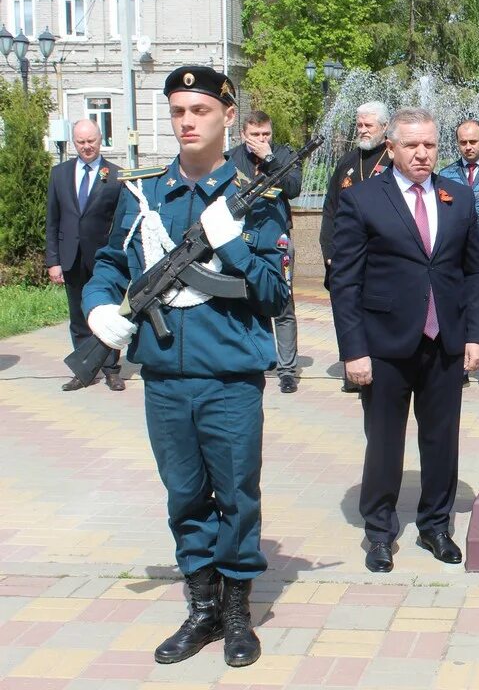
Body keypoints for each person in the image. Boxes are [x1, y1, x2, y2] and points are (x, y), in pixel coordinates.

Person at [83, 66, 290, 668]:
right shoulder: (144, 192)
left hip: (230, 377)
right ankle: (200, 606)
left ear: (228, 117)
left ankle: (236, 612)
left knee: (237, 496)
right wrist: (98, 308)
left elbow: (275, 294)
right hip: (166, 379)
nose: (187, 122)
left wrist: (229, 244)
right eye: (177, 111)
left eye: (199, 110)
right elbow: (110, 262)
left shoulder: (259, 198)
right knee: (184, 495)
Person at [329, 108, 479, 570]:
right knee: (385, 441)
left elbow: (475, 271)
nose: (422, 154)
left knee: (442, 439)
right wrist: (353, 350)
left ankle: (436, 526)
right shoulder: (363, 199)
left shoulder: (456, 196)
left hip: (444, 342)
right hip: (384, 346)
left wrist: (478, 336)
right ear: (392, 148)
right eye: (412, 145)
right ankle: (379, 531)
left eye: (430, 145)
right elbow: (345, 281)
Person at [225, 110, 301, 393]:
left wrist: (270, 158)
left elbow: (293, 187)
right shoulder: (230, 159)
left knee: (282, 305)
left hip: (275, 239)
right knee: (241, 301)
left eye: (265, 134)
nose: (261, 139)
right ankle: (249, 359)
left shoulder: (283, 154)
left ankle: (287, 370)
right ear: (243, 135)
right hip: (240, 239)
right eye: (255, 135)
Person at [46, 119, 124, 391]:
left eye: (91, 141)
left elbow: (121, 222)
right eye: (81, 142)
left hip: (104, 259)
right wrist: (52, 261)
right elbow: (53, 221)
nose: (86, 146)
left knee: (109, 313)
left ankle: (112, 369)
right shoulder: (60, 174)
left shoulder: (115, 175)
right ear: (73, 142)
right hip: (71, 256)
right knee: (78, 316)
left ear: (100, 139)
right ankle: (84, 371)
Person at [320, 101, 390, 392]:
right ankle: (352, 365)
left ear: (384, 128)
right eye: (359, 125)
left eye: (368, 125)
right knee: (347, 310)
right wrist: (329, 252)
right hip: (347, 257)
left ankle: (379, 366)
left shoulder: (393, 162)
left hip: (381, 258)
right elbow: (330, 210)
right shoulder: (347, 163)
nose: (361, 131)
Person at [439, 119, 479, 394]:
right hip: (454, 258)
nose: (468, 147)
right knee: (455, 312)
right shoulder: (445, 174)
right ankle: (460, 367)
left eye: (473, 142)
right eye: (463, 142)